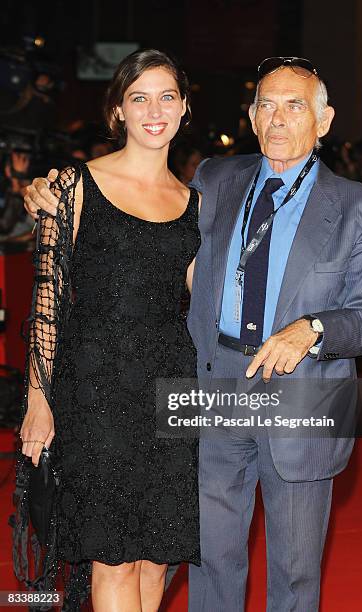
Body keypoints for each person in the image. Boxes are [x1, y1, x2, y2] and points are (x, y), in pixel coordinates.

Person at [25, 56, 362, 611]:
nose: (277, 119)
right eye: (266, 104)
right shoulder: (215, 181)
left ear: (324, 120)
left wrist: (313, 328)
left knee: (295, 570)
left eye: (295, 106)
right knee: (208, 557)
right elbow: (143, 230)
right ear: (250, 115)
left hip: (305, 391)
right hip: (213, 380)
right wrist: (46, 191)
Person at [17, 49, 201, 612]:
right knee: (113, 557)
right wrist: (38, 402)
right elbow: (46, 305)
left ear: (185, 108)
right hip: (97, 394)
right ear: (118, 111)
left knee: (155, 558)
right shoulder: (73, 187)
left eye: (167, 96)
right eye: (138, 97)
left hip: (173, 394)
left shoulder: (196, 204)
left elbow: (201, 307)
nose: (154, 109)